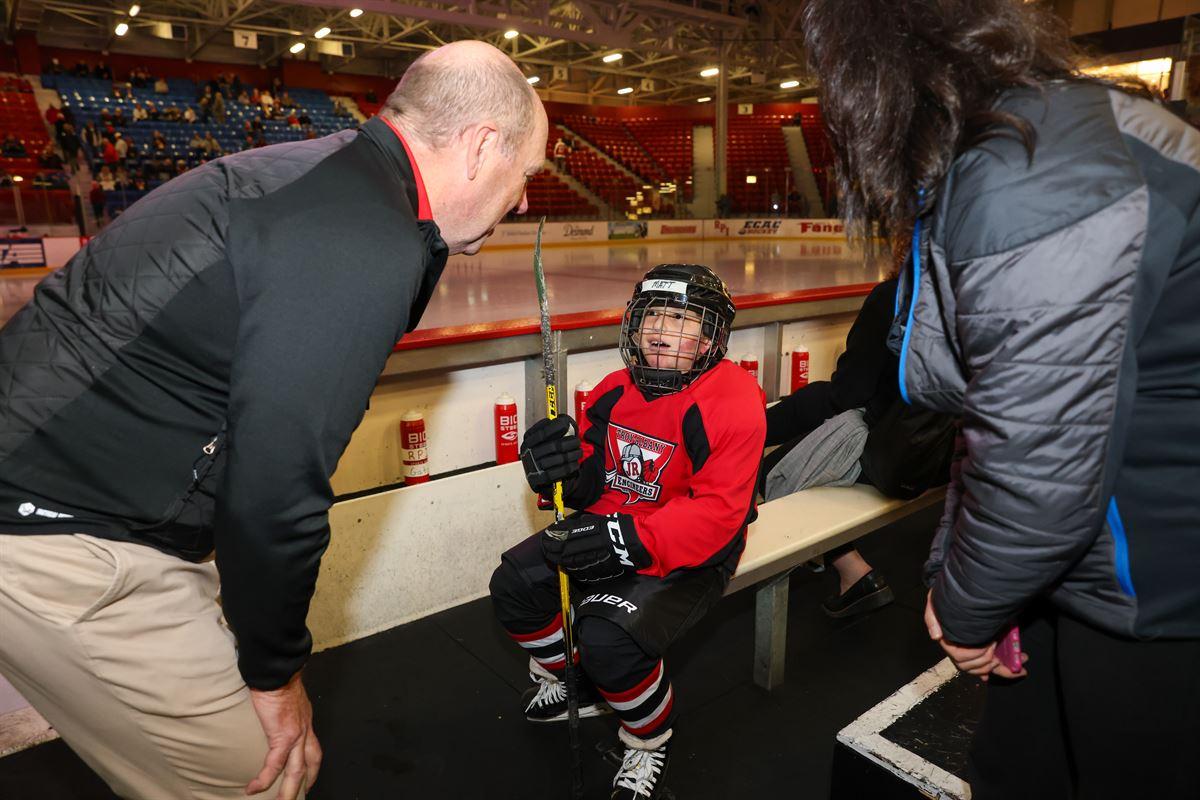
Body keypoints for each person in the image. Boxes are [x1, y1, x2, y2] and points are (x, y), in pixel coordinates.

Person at [0, 40, 548, 800]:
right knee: (260, 775)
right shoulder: (358, 236)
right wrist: (276, 670)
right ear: (482, 144)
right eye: (525, 174)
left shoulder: (327, 179)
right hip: (63, 533)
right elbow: (275, 489)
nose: (523, 199)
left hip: (103, 501)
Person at [803, 2, 1200, 799]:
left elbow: (1038, 467)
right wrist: (966, 577)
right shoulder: (1020, 139)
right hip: (1097, 550)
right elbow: (997, 422)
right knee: (1014, 767)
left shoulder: (1029, 169)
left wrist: (968, 610)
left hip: (1160, 576)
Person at [490, 264, 765, 800]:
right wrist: (564, 473)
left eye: (682, 321)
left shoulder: (734, 399)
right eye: (653, 316)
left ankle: (647, 738)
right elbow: (596, 479)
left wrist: (628, 541)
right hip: (617, 525)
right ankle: (582, 683)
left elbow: (717, 512)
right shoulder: (615, 390)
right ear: (634, 327)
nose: (661, 331)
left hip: (697, 550)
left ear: (710, 339)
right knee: (515, 587)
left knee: (610, 641)